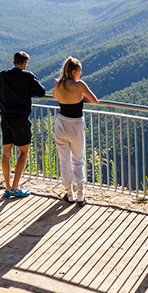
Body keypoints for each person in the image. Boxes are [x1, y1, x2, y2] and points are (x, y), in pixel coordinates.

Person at [0, 51, 47, 198]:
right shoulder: (27, 76)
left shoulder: (3, 75)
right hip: (20, 119)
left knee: (6, 153)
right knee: (24, 152)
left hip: (5, 117)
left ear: (13, 62)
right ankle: (16, 187)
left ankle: (7, 186)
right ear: (25, 63)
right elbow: (41, 92)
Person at [52, 56, 98, 205]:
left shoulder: (58, 83)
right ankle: (80, 194)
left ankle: (69, 194)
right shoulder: (79, 85)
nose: (81, 73)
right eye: (79, 71)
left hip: (61, 123)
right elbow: (94, 100)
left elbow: (55, 97)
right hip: (76, 125)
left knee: (64, 161)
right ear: (73, 72)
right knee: (78, 160)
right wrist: (81, 97)